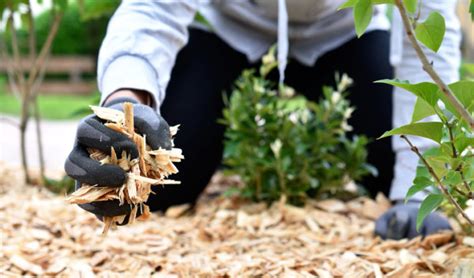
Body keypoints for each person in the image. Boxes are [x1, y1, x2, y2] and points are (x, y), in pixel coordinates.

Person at [65, 0, 460, 239]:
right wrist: (125, 106)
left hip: (344, 32)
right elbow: (152, 11)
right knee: (163, 180)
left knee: (393, 172)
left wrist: (417, 190)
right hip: (228, 31)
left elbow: (425, 33)